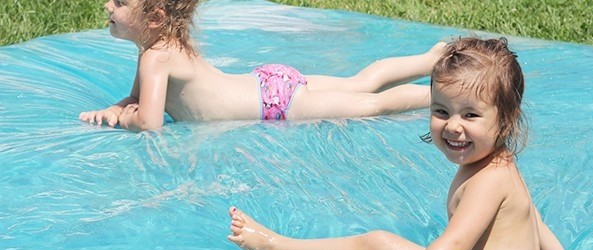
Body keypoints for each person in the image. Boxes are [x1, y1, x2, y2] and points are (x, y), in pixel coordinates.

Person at [226, 37, 592, 250]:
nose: (452, 126)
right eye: (440, 110)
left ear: (506, 120)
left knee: (377, 245)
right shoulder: (503, 164)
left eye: (470, 115)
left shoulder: (486, 179)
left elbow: (455, 246)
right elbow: (534, 222)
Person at [79, 0, 445, 132]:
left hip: (276, 105)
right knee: (360, 82)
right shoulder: (160, 48)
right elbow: (137, 98)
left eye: (120, 2)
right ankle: (430, 60)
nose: (108, 6)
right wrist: (116, 106)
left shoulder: (155, 57)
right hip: (268, 82)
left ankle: (439, 97)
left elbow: (150, 121)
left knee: (371, 106)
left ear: (156, 17)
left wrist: (123, 119)